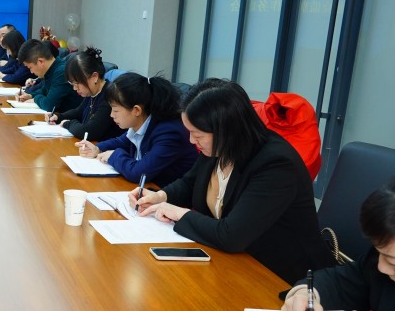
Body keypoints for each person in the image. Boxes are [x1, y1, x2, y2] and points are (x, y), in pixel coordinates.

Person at [133, 78, 332, 283]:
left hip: (283, 278)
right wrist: (160, 196)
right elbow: (190, 183)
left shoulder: (276, 164)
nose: (192, 141)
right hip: (231, 262)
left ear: (226, 130)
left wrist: (178, 213)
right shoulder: (218, 146)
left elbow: (232, 236)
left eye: (197, 135)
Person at [281, 179, 395, 311]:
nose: (381, 267)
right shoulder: (382, 258)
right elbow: (343, 282)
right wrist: (306, 294)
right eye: (380, 254)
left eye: (392, 261)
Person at [80, 72, 197, 187]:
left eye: (115, 110)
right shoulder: (143, 122)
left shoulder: (169, 133)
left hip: (163, 194)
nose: (111, 115)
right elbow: (121, 142)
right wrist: (97, 148)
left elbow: (139, 173)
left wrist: (114, 155)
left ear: (136, 110)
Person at [49, 48, 122, 143]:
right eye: (72, 84)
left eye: (77, 83)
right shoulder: (92, 92)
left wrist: (68, 123)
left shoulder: (109, 97)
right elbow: (78, 112)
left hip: (103, 148)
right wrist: (58, 116)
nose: (75, 88)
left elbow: (89, 132)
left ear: (94, 77)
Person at [16, 39, 78, 114]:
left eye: (30, 67)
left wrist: (35, 99)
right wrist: (30, 95)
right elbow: (44, 90)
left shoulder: (61, 72)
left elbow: (49, 105)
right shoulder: (52, 69)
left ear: (40, 62)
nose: (31, 72)